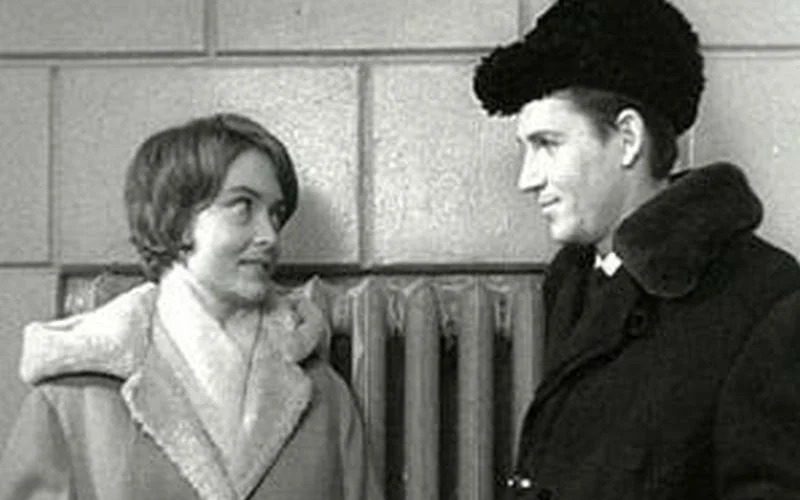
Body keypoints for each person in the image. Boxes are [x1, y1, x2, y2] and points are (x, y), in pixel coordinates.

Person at [473, 0, 800, 498]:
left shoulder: (766, 299)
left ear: (627, 138)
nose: (527, 179)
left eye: (547, 144)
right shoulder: (574, 278)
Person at [0, 113, 383, 500]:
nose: (270, 235)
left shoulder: (323, 396)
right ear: (179, 219)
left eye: (275, 213)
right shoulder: (73, 400)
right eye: (242, 206)